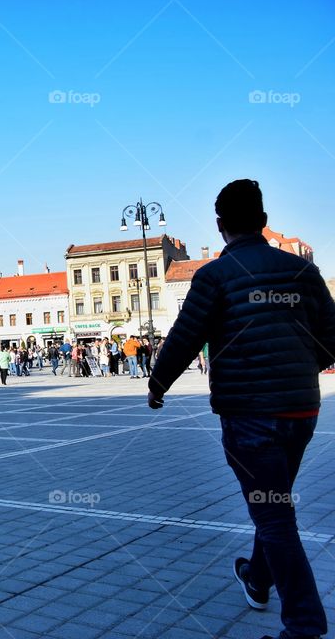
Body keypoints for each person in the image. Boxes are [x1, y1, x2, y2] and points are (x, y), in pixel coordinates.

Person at [148, 179, 333, 639]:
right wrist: (300, 370)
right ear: (264, 223)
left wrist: (158, 383)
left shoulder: (213, 276)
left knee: (274, 515)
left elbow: (186, 336)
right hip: (300, 412)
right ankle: (257, 575)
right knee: (275, 503)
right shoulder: (301, 272)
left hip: (250, 414)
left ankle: (305, 626)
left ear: (221, 225)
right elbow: (331, 342)